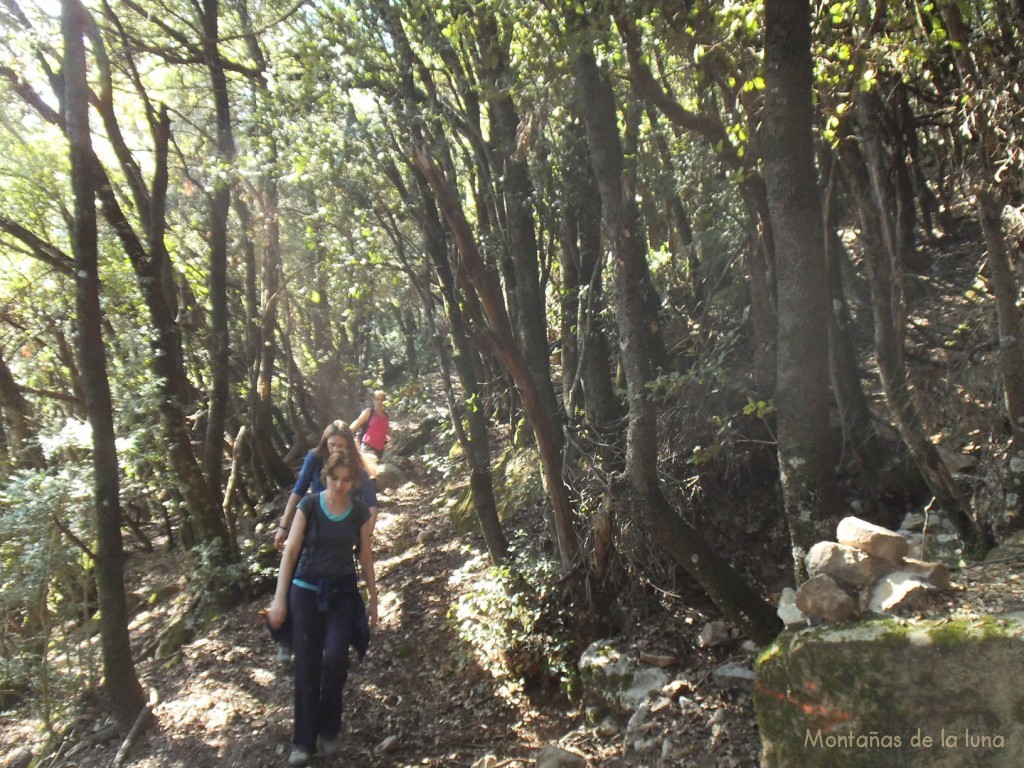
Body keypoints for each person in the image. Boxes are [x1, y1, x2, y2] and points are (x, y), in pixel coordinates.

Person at [268, 450, 378, 766]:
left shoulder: (359, 511)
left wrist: (373, 597)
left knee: (335, 660)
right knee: (306, 665)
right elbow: (289, 553)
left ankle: (329, 728)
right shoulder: (310, 505)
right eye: (334, 479)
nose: (340, 485)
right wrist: (279, 599)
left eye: (346, 480)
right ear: (324, 477)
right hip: (305, 591)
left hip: (342, 593)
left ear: (354, 481)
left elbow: (366, 557)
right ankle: (302, 741)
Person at [273, 421, 378, 663]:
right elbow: (299, 492)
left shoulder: (355, 466)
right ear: (325, 443)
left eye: (341, 445)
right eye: (332, 444)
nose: (336, 450)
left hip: (343, 527)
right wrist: (283, 526)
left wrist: (364, 535)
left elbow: (372, 504)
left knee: (344, 582)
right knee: (294, 576)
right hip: (310, 525)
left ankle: (342, 637)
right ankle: (288, 640)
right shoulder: (314, 458)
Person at [351, 390, 390, 460]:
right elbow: (357, 423)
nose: (379, 402)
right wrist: (345, 433)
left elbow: (387, 429)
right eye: (377, 399)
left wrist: (391, 439)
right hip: (368, 447)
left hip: (380, 450)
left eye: (382, 400)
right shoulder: (369, 412)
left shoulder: (386, 416)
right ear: (374, 400)